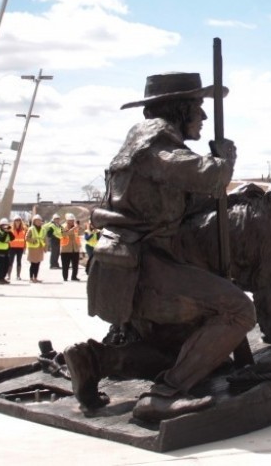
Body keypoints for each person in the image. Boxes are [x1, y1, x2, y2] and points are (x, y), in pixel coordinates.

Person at [64, 72, 255, 423]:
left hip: (133, 261)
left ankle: (95, 360)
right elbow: (209, 176)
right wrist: (224, 159)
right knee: (238, 310)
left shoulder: (145, 145)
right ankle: (163, 396)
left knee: (179, 348)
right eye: (198, 107)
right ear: (180, 109)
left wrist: (235, 197)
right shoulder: (155, 143)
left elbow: (177, 207)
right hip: (143, 265)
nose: (204, 116)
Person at [60, 213, 82, 281]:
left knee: (75, 265)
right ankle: (65, 277)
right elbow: (64, 234)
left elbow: (79, 234)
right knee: (65, 265)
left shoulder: (75, 227)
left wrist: (79, 228)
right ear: (67, 220)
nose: (72, 221)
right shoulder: (63, 226)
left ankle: (74, 277)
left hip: (75, 248)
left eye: (73, 220)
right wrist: (73, 229)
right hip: (65, 249)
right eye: (70, 220)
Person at [25, 214, 46, 283]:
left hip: (40, 248)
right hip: (33, 248)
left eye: (39, 221)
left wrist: (45, 247)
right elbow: (27, 238)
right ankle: (31, 278)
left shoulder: (43, 229)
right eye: (37, 221)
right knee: (33, 264)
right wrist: (33, 241)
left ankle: (36, 277)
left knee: (38, 263)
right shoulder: (31, 229)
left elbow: (44, 238)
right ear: (34, 221)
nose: (38, 222)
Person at [0, 218, 13, 285]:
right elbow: (2, 239)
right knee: (0, 266)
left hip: (6, 250)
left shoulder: (7, 232)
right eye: (3, 225)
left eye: (6, 225)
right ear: (0, 225)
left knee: (6, 265)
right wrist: (5, 232)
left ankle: (3, 278)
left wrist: (9, 231)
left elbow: (13, 238)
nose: (5, 226)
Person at [8, 214, 27, 281]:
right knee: (10, 261)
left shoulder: (24, 229)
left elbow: (25, 239)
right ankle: (8, 275)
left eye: (19, 220)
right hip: (12, 247)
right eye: (16, 220)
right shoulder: (10, 229)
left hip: (20, 248)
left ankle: (18, 276)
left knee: (19, 261)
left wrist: (25, 247)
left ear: (20, 221)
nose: (17, 222)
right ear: (14, 221)